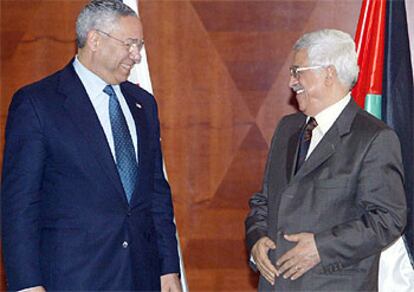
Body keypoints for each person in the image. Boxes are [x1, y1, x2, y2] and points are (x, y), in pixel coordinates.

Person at [1, 0, 181, 291]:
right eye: (130, 44)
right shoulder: (38, 104)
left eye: (140, 45)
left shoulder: (143, 105)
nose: (136, 56)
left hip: (142, 276)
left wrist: (168, 266)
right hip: (74, 278)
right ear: (95, 40)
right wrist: (26, 284)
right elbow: (20, 205)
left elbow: (156, 193)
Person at [245, 29, 407, 291]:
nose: (291, 82)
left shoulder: (374, 138)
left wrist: (321, 247)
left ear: (328, 74)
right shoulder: (287, 128)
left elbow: (388, 219)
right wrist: (257, 240)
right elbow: (263, 200)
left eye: (298, 71)